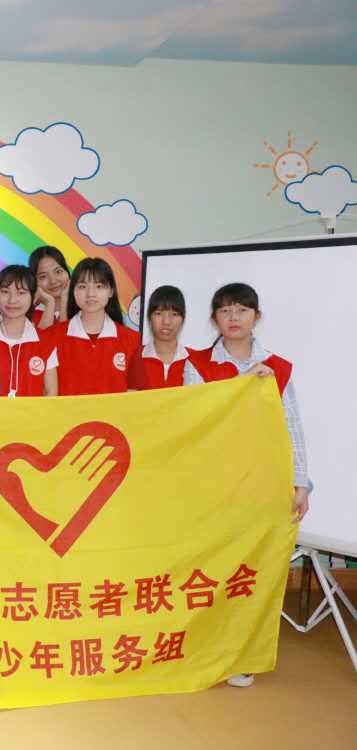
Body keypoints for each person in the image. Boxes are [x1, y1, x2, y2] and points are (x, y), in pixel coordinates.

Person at [182, 282, 310, 689]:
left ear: (257, 316)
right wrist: (241, 385)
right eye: (224, 310)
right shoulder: (197, 365)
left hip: (261, 483)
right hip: (214, 484)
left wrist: (301, 482)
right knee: (209, 567)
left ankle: (242, 653)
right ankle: (203, 646)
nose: (233, 317)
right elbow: (194, 418)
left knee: (250, 570)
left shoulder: (278, 368)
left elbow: (292, 428)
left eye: (241, 309)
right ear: (214, 319)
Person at [44, 258, 140, 396]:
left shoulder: (133, 340)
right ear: (73, 291)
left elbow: (135, 399)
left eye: (99, 286)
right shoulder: (51, 338)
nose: (90, 294)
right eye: (82, 286)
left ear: (111, 291)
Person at [0, 264, 57, 397]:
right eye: (5, 291)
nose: (12, 300)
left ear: (33, 296)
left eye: (21, 293)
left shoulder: (46, 343)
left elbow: (51, 392)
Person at [127, 285, 190, 390]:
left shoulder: (193, 361)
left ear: (183, 319)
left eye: (174, 314)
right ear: (149, 317)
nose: (166, 321)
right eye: (159, 313)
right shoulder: (135, 357)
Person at [28, 245, 70, 330]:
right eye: (43, 276)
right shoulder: (29, 317)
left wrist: (65, 300)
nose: (53, 281)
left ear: (67, 272)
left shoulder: (86, 307)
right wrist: (49, 303)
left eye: (58, 271)